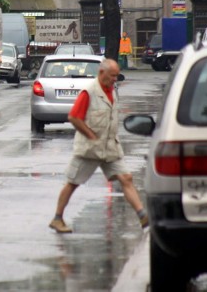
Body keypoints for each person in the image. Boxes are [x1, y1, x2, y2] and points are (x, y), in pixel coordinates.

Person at [48, 58, 148, 233]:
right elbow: (73, 117)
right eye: (112, 76)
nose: (115, 79)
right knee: (73, 183)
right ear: (101, 73)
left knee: (126, 178)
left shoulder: (111, 90)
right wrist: (90, 134)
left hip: (110, 147)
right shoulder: (89, 92)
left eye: (117, 76)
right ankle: (57, 218)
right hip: (89, 148)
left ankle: (143, 217)